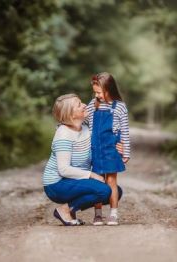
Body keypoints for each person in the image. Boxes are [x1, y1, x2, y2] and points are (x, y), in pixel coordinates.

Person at [42, 93, 122, 226]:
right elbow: (64, 170)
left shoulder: (86, 129)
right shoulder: (63, 134)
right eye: (79, 105)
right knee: (104, 190)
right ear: (70, 114)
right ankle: (65, 210)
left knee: (115, 191)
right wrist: (92, 175)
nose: (85, 105)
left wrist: (118, 146)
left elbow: (102, 145)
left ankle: (69, 210)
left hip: (72, 180)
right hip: (56, 184)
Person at [86, 72, 130, 226]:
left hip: (111, 149)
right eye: (95, 92)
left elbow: (124, 131)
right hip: (95, 148)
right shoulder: (93, 105)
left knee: (111, 180)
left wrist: (126, 151)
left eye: (99, 92)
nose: (97, 95)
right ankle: (98, 214)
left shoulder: (120, 107)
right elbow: (87, 125)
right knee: (98, 182)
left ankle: (113, 213)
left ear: (109, 89)